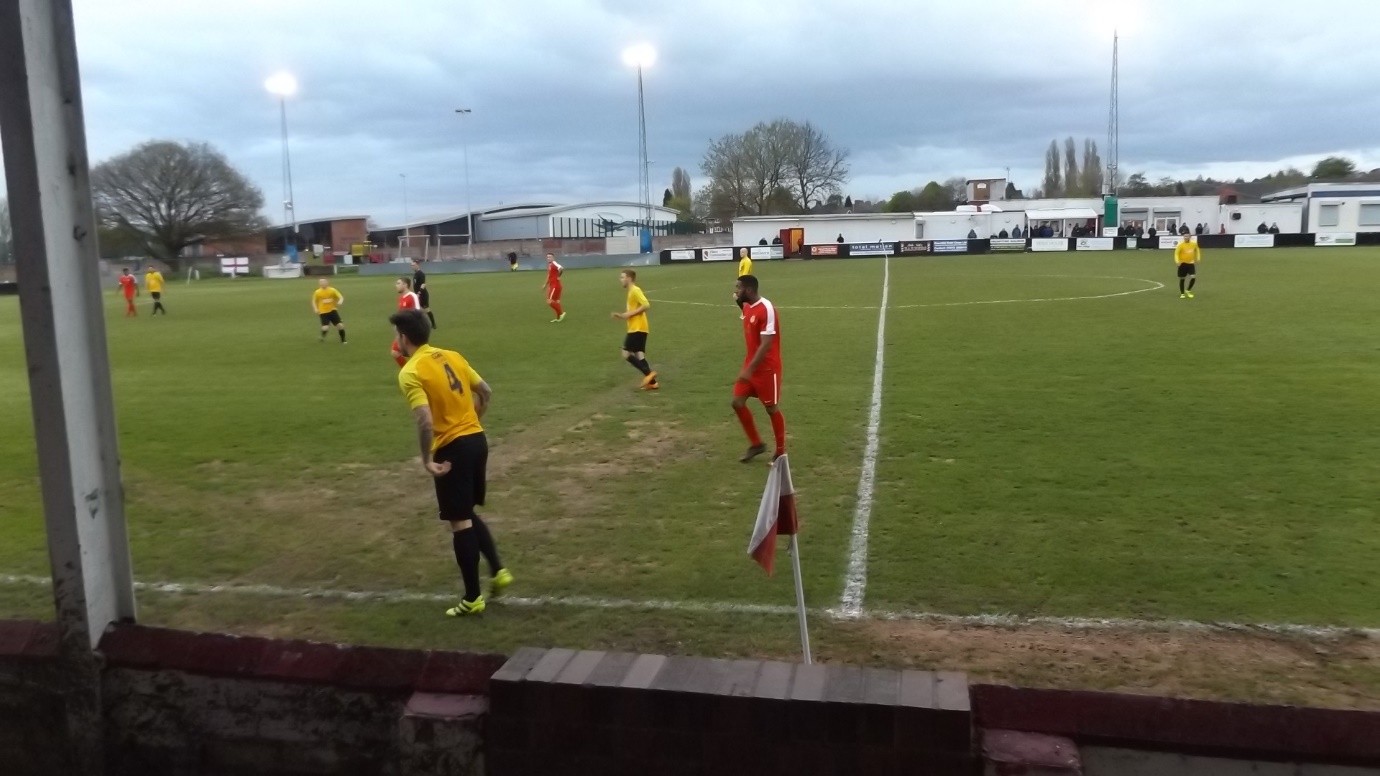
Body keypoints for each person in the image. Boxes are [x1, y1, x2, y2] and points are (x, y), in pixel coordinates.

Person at [390, 309, 511, 617]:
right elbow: (486, 391)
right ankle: (498, 570)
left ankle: (472, 598)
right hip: (477, 441)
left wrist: (426, 460)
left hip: (452, 450)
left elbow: (425, 421)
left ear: (404, 338)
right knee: (465, 511)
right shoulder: (452, 356)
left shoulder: (411, 372)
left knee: (459, 522)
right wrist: (474, 419)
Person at [732, 275, 785, 464]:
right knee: (737, 402)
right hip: (751, 366)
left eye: (738, 288)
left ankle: (780, 452)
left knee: (771, 409)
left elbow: (766, 344)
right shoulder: (747, 306)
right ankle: (756, 444)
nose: (735, 291)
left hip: (767, 369)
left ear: (748, 290)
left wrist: (749, 370)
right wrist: (739, 300)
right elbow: (744, 307)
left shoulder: (766, 309)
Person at [612, 270, 657, 390]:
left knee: (626, 353)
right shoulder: (631, 292)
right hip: (640, 327)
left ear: (629, 278)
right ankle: (652, 383)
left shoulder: (635, 290)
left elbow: (646, 305)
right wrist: (622, 316)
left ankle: (649, 374)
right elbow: (632, 311)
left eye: (622, 277)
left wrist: (629, 314)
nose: (620, 280)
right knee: (639, 355)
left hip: (637, 328)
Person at [391, 277, 421, 366]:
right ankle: (409, 371)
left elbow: (418, 314)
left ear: (405, 285)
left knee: (414, 354)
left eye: (398, 283)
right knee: (395, 352)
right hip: (402, 332)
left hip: (411, 331)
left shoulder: (412, 296)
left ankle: (414, 371)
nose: (396, 285)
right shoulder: (401, 298)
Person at [312, 277, 347, 343]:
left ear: (327, 282)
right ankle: (322, 336)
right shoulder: (317, 292)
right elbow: (314, 301)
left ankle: (343, 340)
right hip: (323, 312)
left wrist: (340, 301)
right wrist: (315, 308)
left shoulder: (332, 290)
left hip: (332, 311)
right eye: (321, 282)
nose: (322, 283)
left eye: (323, 282)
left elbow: (340, 297)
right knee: (325, 328)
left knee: (340, 326)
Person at [410, 260, 436, 330]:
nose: (412, 267)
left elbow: (423, 284)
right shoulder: (415, 274)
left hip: (422, 295)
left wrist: (419, 293)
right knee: (415, 309)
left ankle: (433, 324)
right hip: (417, 295)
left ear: (418, 265)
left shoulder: (421, 274)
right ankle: (417, 324)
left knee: (426, 309)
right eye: (411, 265)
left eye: (414, 265)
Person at [1174, 235, 1200, 299]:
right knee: (1182, 279)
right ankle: (1182, 293)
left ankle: (1188, 290)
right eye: (1185, 236)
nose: (1186, 237)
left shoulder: (1194, 244)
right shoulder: (1181, 245)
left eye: (1187, 236)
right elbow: (1176, 253)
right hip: (1182, 264)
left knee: (1193, 277)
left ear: (1189, 237)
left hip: (1190, 263)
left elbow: (1197, 250)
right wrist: (1177, 261)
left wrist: (1198, 258)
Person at [543, 253, 565, 322]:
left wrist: (559, 276)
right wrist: (545, 284)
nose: (548, 258)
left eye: (550, 257)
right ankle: (558, 318)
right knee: (556, 302)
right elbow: (549, 276)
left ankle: (561, 313)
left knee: (549, 301)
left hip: (555, 286)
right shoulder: (550, 265)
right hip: (556, 285)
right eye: (547, 257)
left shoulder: (554, 263)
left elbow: (561, 268)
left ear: (553, 258)